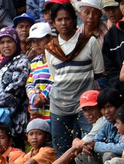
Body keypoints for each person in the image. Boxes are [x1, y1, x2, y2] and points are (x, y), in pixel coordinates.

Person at [45, 2, 105, 155]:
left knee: (90, 144)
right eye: (59, 20)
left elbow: (99, 71)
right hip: (59, 104)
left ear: (74, 20)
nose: (63, 23)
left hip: (86, 102)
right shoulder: (50, 49)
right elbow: (55, 77)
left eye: (67, 19)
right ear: (54, 23)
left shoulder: (89, 42)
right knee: (61, 146)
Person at [0, 27, 32, 139]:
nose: (6, 46)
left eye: (9, 41)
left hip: (14, 120)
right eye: (2, 42)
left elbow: (14, 89)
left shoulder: (22, 61)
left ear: (16, 42)